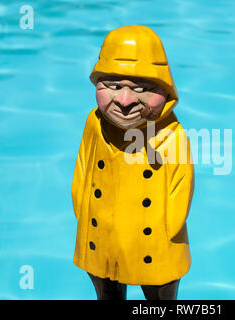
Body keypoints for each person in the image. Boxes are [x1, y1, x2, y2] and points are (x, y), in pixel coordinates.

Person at [71, 25, 194, 300]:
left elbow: (180, 194)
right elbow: (82, 172)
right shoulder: (94, 123)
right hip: (100, 238)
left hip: (153, 246)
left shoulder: (171, 137)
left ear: (165, 89)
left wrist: (160, 232)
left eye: (141, 88)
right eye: (113, 86)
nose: (125, 101)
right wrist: (88, 217)